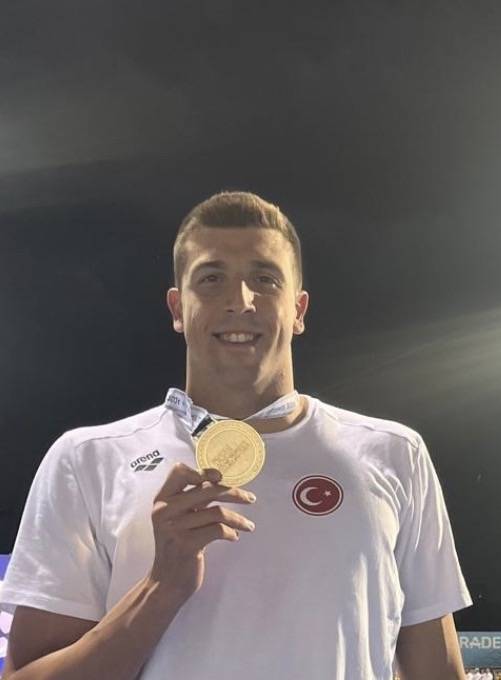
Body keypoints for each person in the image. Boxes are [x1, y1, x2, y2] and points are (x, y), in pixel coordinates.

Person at [0, 192, 472, 680]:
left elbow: (437, 672)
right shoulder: (87, 461)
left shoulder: (393, 454)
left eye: (265, 279)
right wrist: (161, 588)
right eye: (211, 278)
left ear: (298, 309)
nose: (240, 300)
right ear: (177, 308)